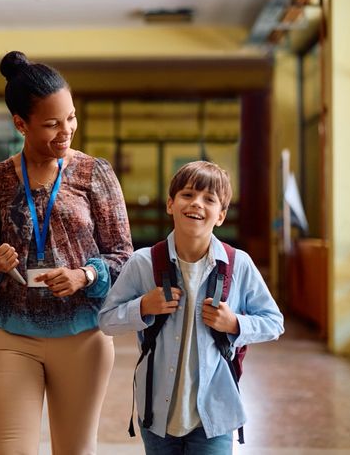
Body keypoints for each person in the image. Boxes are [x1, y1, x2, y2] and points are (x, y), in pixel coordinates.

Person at [0, 51, 133, 454]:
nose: (66, 131)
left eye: (71, 118)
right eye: (52, 123)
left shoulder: (95, 173)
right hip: (10, 335)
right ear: (20, 124)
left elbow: (123, 256)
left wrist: (85, 276)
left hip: (83, 335)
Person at [99, 160, 285, 454]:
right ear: (170, 204)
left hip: (215, 416)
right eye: (187, 195)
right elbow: (107, 320)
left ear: (221, 215)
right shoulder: (143, 263)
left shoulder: (239, 265)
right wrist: (143, 306)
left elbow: (274, 322)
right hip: (156, 417)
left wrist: (236, 324)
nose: (196, 203)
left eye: (209, 199)